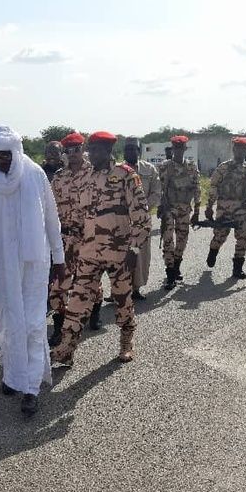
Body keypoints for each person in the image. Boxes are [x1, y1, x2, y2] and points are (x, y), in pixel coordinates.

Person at [0, 125, 65, 417]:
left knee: (32, 323)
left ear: (16, 151)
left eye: (6, 154)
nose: (2, 160)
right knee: (6, 321)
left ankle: (30, 387)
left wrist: (59, 258)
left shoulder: (35, 174)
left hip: (33, 263)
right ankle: (12, 375)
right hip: (0, 263)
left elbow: (51, 218)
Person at [51, 131, 150, 366]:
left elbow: (142, 217)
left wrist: (134, 250)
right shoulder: (86, 177)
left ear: (108, 150)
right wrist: (70, 245)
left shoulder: (125, 175)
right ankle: (66, 349)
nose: (91, 154)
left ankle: (126, 342)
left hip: (119, 253)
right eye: (90, 150)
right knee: (78, 301)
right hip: (89, 252)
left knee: (122, 299)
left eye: (95, 150)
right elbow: (78, 214)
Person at [47, 132, 92, 346]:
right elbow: (50, 209)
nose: (72, 154)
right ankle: (59, 326)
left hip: (89, 238)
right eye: (68, 150)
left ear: (83, 149)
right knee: (58, 286)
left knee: (88, 282)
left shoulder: (94, 174)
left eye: (76, 149)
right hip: (65, 239)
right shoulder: (59, 177)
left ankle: (95, 312)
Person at [203, 136, 246, 278]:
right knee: (220, 236)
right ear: (233, 149)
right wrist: (209, 206)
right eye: (237, 148)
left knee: (242, 239)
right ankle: (213, 252)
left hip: (242, 209)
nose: (240, 151)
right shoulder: (223, 167)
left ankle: (237, 269)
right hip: (224, 208)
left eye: (243, 149)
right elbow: (214, 186)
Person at [158, 135, 200, 290]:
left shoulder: (191, 167)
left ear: (185, 149)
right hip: (169, 208)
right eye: (175, 147)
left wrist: (197, 210)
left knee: (182, 239)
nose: (178, 150)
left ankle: (176, 266)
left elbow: (197, 188)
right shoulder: (165, 166)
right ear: (172, 148)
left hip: (185, 209)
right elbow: (159, 188)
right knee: (168, 239)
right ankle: (170, 273)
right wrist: (161, 206)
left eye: (181, 148)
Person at [123, 137, 161, 299]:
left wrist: (142, 209)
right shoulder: (117, 170)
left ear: (139, 151)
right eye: (128, 149)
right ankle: (120, 289)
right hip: (122, 221)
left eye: (134, 149)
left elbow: (156, 193)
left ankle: (136, 288)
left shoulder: (149, 169)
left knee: (140, 255)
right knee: (121, 255)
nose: (131, 152)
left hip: (142, 220)